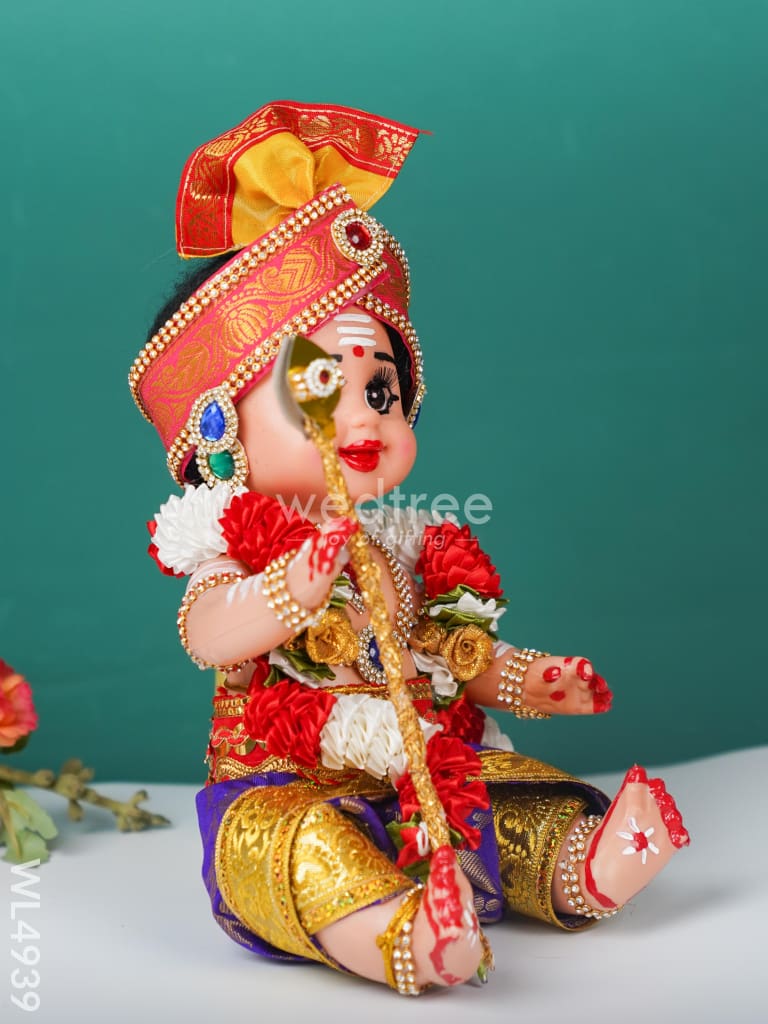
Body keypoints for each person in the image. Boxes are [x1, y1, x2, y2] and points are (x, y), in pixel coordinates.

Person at [131, 101, 689, 994]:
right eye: (320, 390)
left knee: (498, 792)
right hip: (292, 781)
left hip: (421, 764)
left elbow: (455, 654)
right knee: (295, 851)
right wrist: (286, 593)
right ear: (221, 427)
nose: (364, 419)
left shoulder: (403, 543)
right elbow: (207, 632)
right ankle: (403, 935)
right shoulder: (231, 540)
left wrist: (528, 679)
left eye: (383, 394)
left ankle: (581, 866)